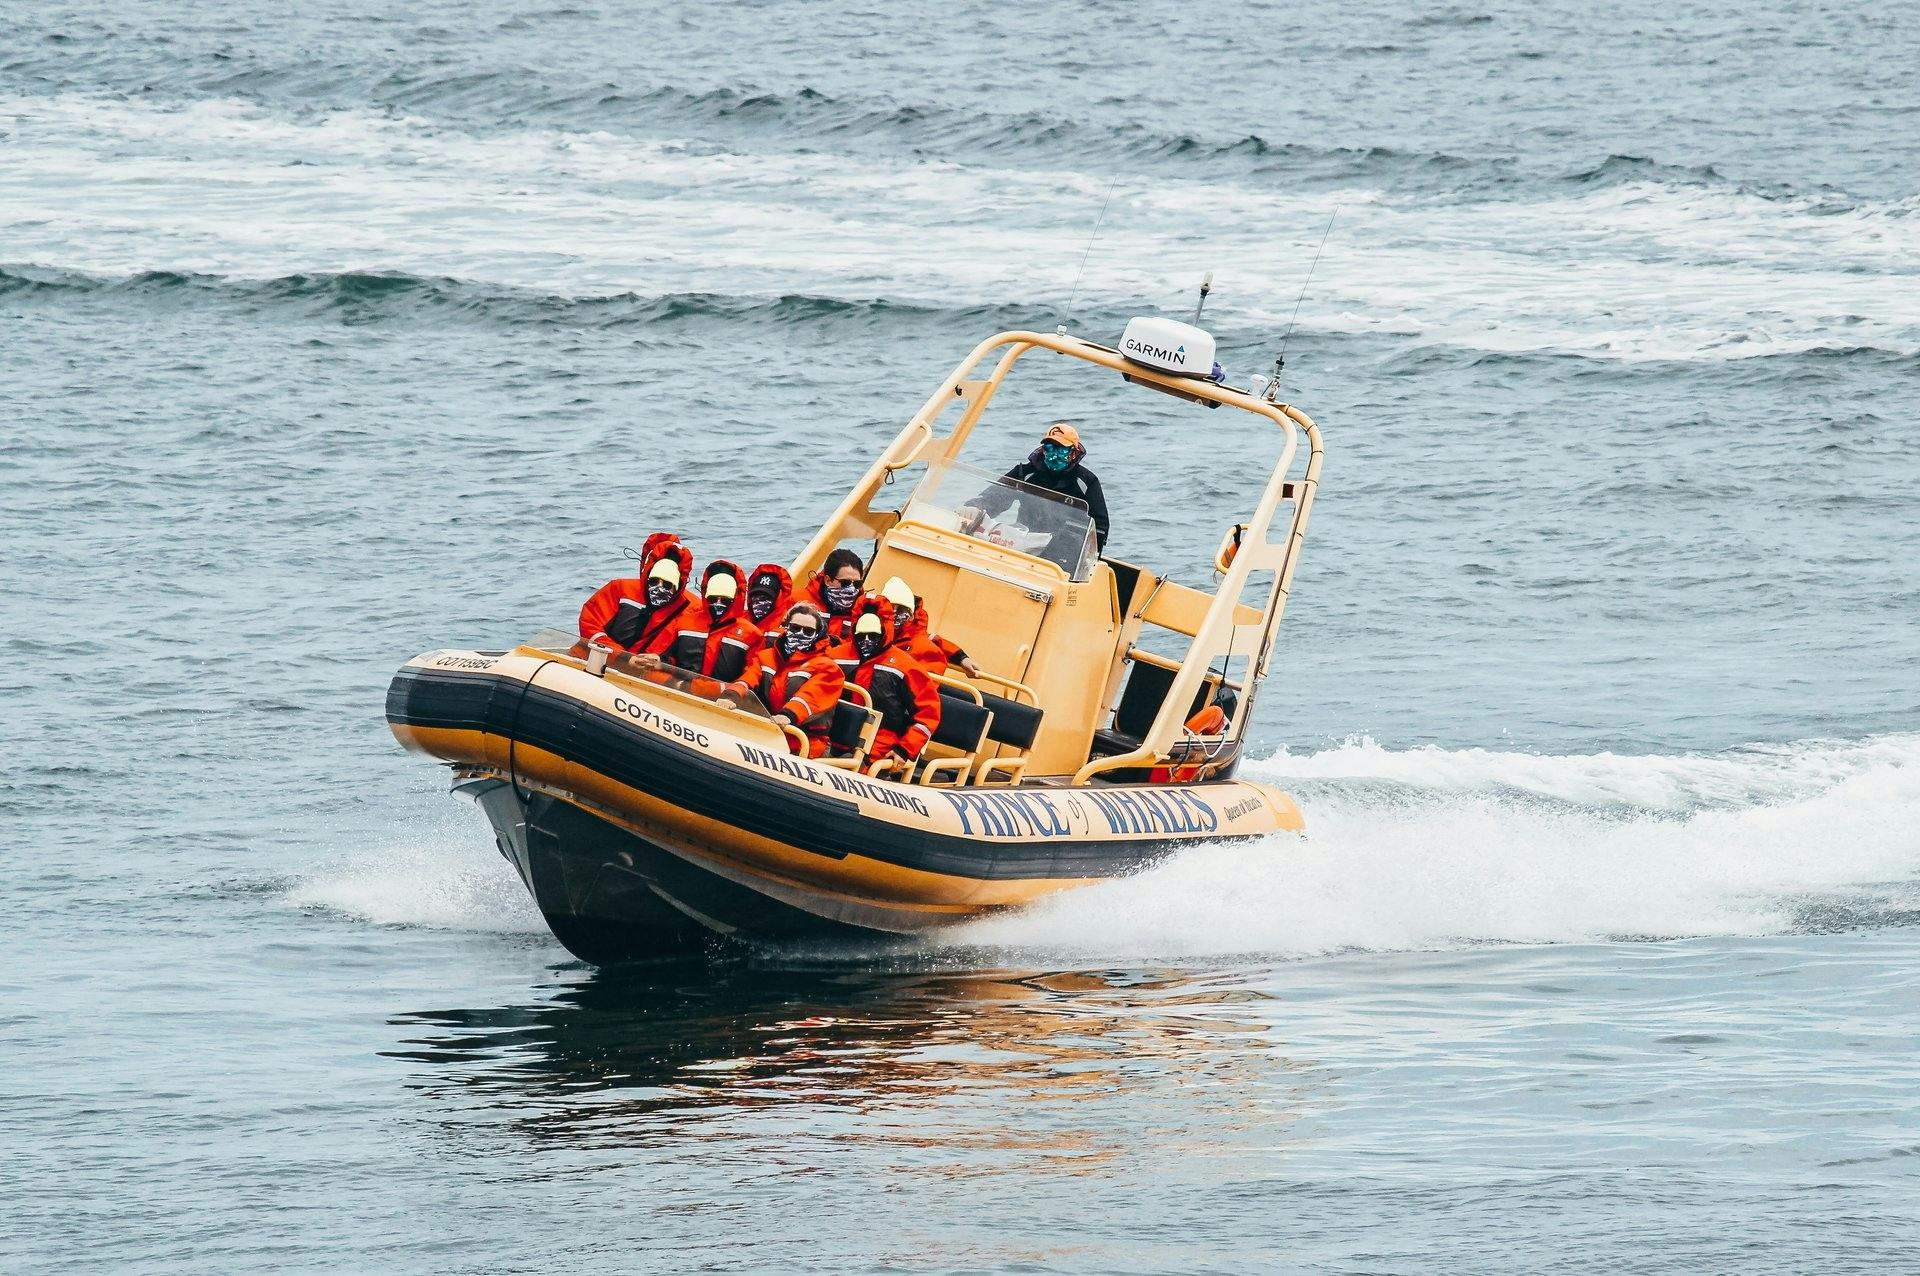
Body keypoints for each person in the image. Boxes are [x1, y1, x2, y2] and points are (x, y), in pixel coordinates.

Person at [830, 595, 942, 767]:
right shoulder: (835, 657)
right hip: (827, 735)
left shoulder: (905, 667)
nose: (866, 641)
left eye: (873, 636)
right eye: (862, 635)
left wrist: (904, 749)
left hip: (878, 746)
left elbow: (928, 712)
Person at [968, 422, 1110, 553]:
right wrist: (974, 508)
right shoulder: (1024, 473)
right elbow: (994, 498)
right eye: (1049, 447)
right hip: (1024, 543)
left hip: (1065, 550)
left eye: (1061, 449)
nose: (1054, 454)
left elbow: (1100, 526)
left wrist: (1087, 550)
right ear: (1043, 449)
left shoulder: (1086, 481)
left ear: (1073, 452)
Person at [577, 535, 704, 667]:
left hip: (649, 677)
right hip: (599, 663)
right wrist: (620, 656)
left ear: (679, 584)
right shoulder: (620, 589)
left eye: (667, 585)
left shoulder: (693, 610)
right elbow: (590, 624)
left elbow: (691, 659)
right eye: (654, 581)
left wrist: (663, 663)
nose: (659, 588)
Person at [736, 602, 844, 756]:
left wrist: (788, 715)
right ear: (786, 627)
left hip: (803, 741)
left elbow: (810, 697)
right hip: (766, 730)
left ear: (817, 635)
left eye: (808, 631)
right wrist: (732, 694)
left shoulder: (828, 668)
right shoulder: (766, 656)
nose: (800, 633)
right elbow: (748, 678)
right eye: (795, 628)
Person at [877, 575, 982, 679]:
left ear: (911, 614)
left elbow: (937, 642)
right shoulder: (872, 632)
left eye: (901, 610)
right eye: (890, 608)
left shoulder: (920, 642)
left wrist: (961, 658)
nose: (895, 614)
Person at [696, 560, 763, 684]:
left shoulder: (752, 634)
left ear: (735, 598)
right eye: (713, 598)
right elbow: (667, 658)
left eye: (725, 600)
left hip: (723, 699)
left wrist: (736, 691)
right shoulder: (684, 622)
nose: (718, 603)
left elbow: (752, 672)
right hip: (680, 693)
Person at [800, 547, 866, 642]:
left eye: (857, 584)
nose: (851, 589)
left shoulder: (864, 610)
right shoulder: (798, 602)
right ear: (828, 580)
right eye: (845, 583)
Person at [742, 562, 794, 631]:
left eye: (765, 598)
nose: (759, 602)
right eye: (755, 596)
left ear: (777, 598)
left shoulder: (789, 625)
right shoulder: (740, 620)